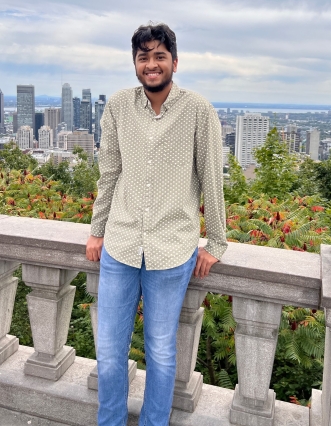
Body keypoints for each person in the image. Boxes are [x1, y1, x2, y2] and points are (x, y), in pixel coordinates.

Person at [86, 22, 227, 426]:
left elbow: (211, 179)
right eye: (144, 57)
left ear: (174, 63)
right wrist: (97, 230)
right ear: (135, 63)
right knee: (110, 351)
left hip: (172, 248)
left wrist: (216, 242)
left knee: (162, 351)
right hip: (121, 244)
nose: (151, 64)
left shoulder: (199, 110)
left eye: (159, 56)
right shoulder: (117, 106)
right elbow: (109, 172)